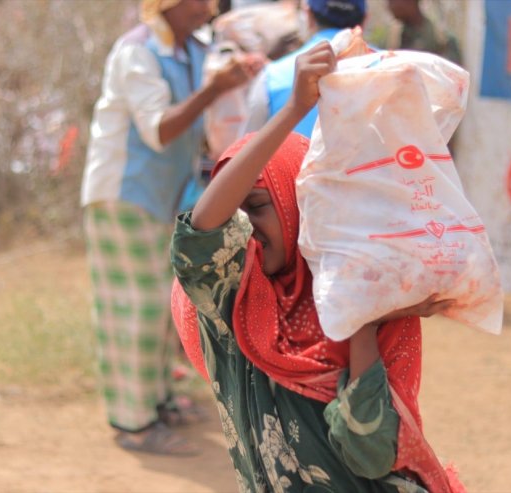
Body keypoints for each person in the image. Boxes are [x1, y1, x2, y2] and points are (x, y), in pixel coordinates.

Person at [172, 42, 465, 491]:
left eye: (258, 206)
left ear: (299, 207)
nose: (246, 228)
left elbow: (370, 454)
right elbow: (198, 235)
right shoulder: (229, 305)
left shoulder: (358, 295)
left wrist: (361, 319)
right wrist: (293, 109)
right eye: (237, 211)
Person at [81, 0, 259, 456]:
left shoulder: (191, 51)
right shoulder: (136, 52)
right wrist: (216, 88)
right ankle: (133, 422)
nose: (208, 6)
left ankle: (158, 402)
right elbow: (159, 129)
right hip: (124, 194)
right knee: (136, 310)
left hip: (161, 197)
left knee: (163, 307)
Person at [241, 0, 367, 138]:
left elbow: (242, 149)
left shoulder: (271, 77)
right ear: (365, 19)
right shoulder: (390, 69)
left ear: (308, 15)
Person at [380, 0, 462, 66]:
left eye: (392, 1)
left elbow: (454, 81)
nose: (389, 6)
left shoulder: (442, 40)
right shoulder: (391, 39)